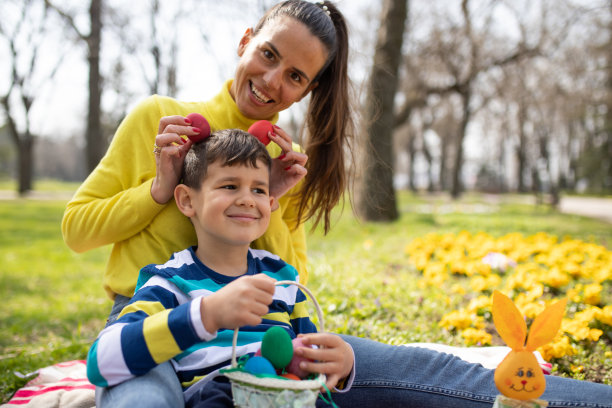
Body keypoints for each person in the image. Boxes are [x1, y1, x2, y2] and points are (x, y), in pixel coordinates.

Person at [63, 1, 612, 407]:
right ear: (246, 41)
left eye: (296, 76)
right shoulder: (161, 120)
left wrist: (273, 198)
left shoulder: (286, 160)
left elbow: (285, 282)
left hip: (265, 334)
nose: (272, 81)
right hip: (155, 321)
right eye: (268, 55)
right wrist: (158, 190)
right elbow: (77, 231)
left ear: (307, 90)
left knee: (424, 372)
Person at [86, 129, 355, 407]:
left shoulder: (284, 279)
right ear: (187, 200)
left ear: (271, 203)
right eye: (229, 186)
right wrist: (207, 314)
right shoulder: (170, 282)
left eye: (259, 190)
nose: (248, 200)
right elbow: (100, 361)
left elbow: (307, 356)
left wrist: (341, 362)